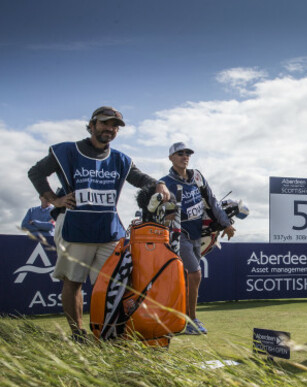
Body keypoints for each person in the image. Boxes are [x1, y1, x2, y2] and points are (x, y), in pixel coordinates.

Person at [27, 106, 171, 340]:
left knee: (114, 286)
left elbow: (140, 178)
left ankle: (109, 332)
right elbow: (36, 172)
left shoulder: (120, 159)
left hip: (109, 230)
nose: (110, 129)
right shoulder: (66, 151)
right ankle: (77, 333)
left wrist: (160, 184)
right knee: (73, 282)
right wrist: (55, 199)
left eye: (115, 126)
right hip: (75, 226)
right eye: (105, 123)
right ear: (92, 124)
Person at [160, 142, 235, 335]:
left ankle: (180, 319)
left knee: (185, 278)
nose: (185, 156)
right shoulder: (164, 182)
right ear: (171, 158)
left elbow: (212, 200)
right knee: (195, 274)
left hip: (197, 234)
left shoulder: (197, 176)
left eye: (187, 153)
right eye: (180, 153)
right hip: (178, 235)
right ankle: (190, 320)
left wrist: (226, 223)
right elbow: (156, 210)